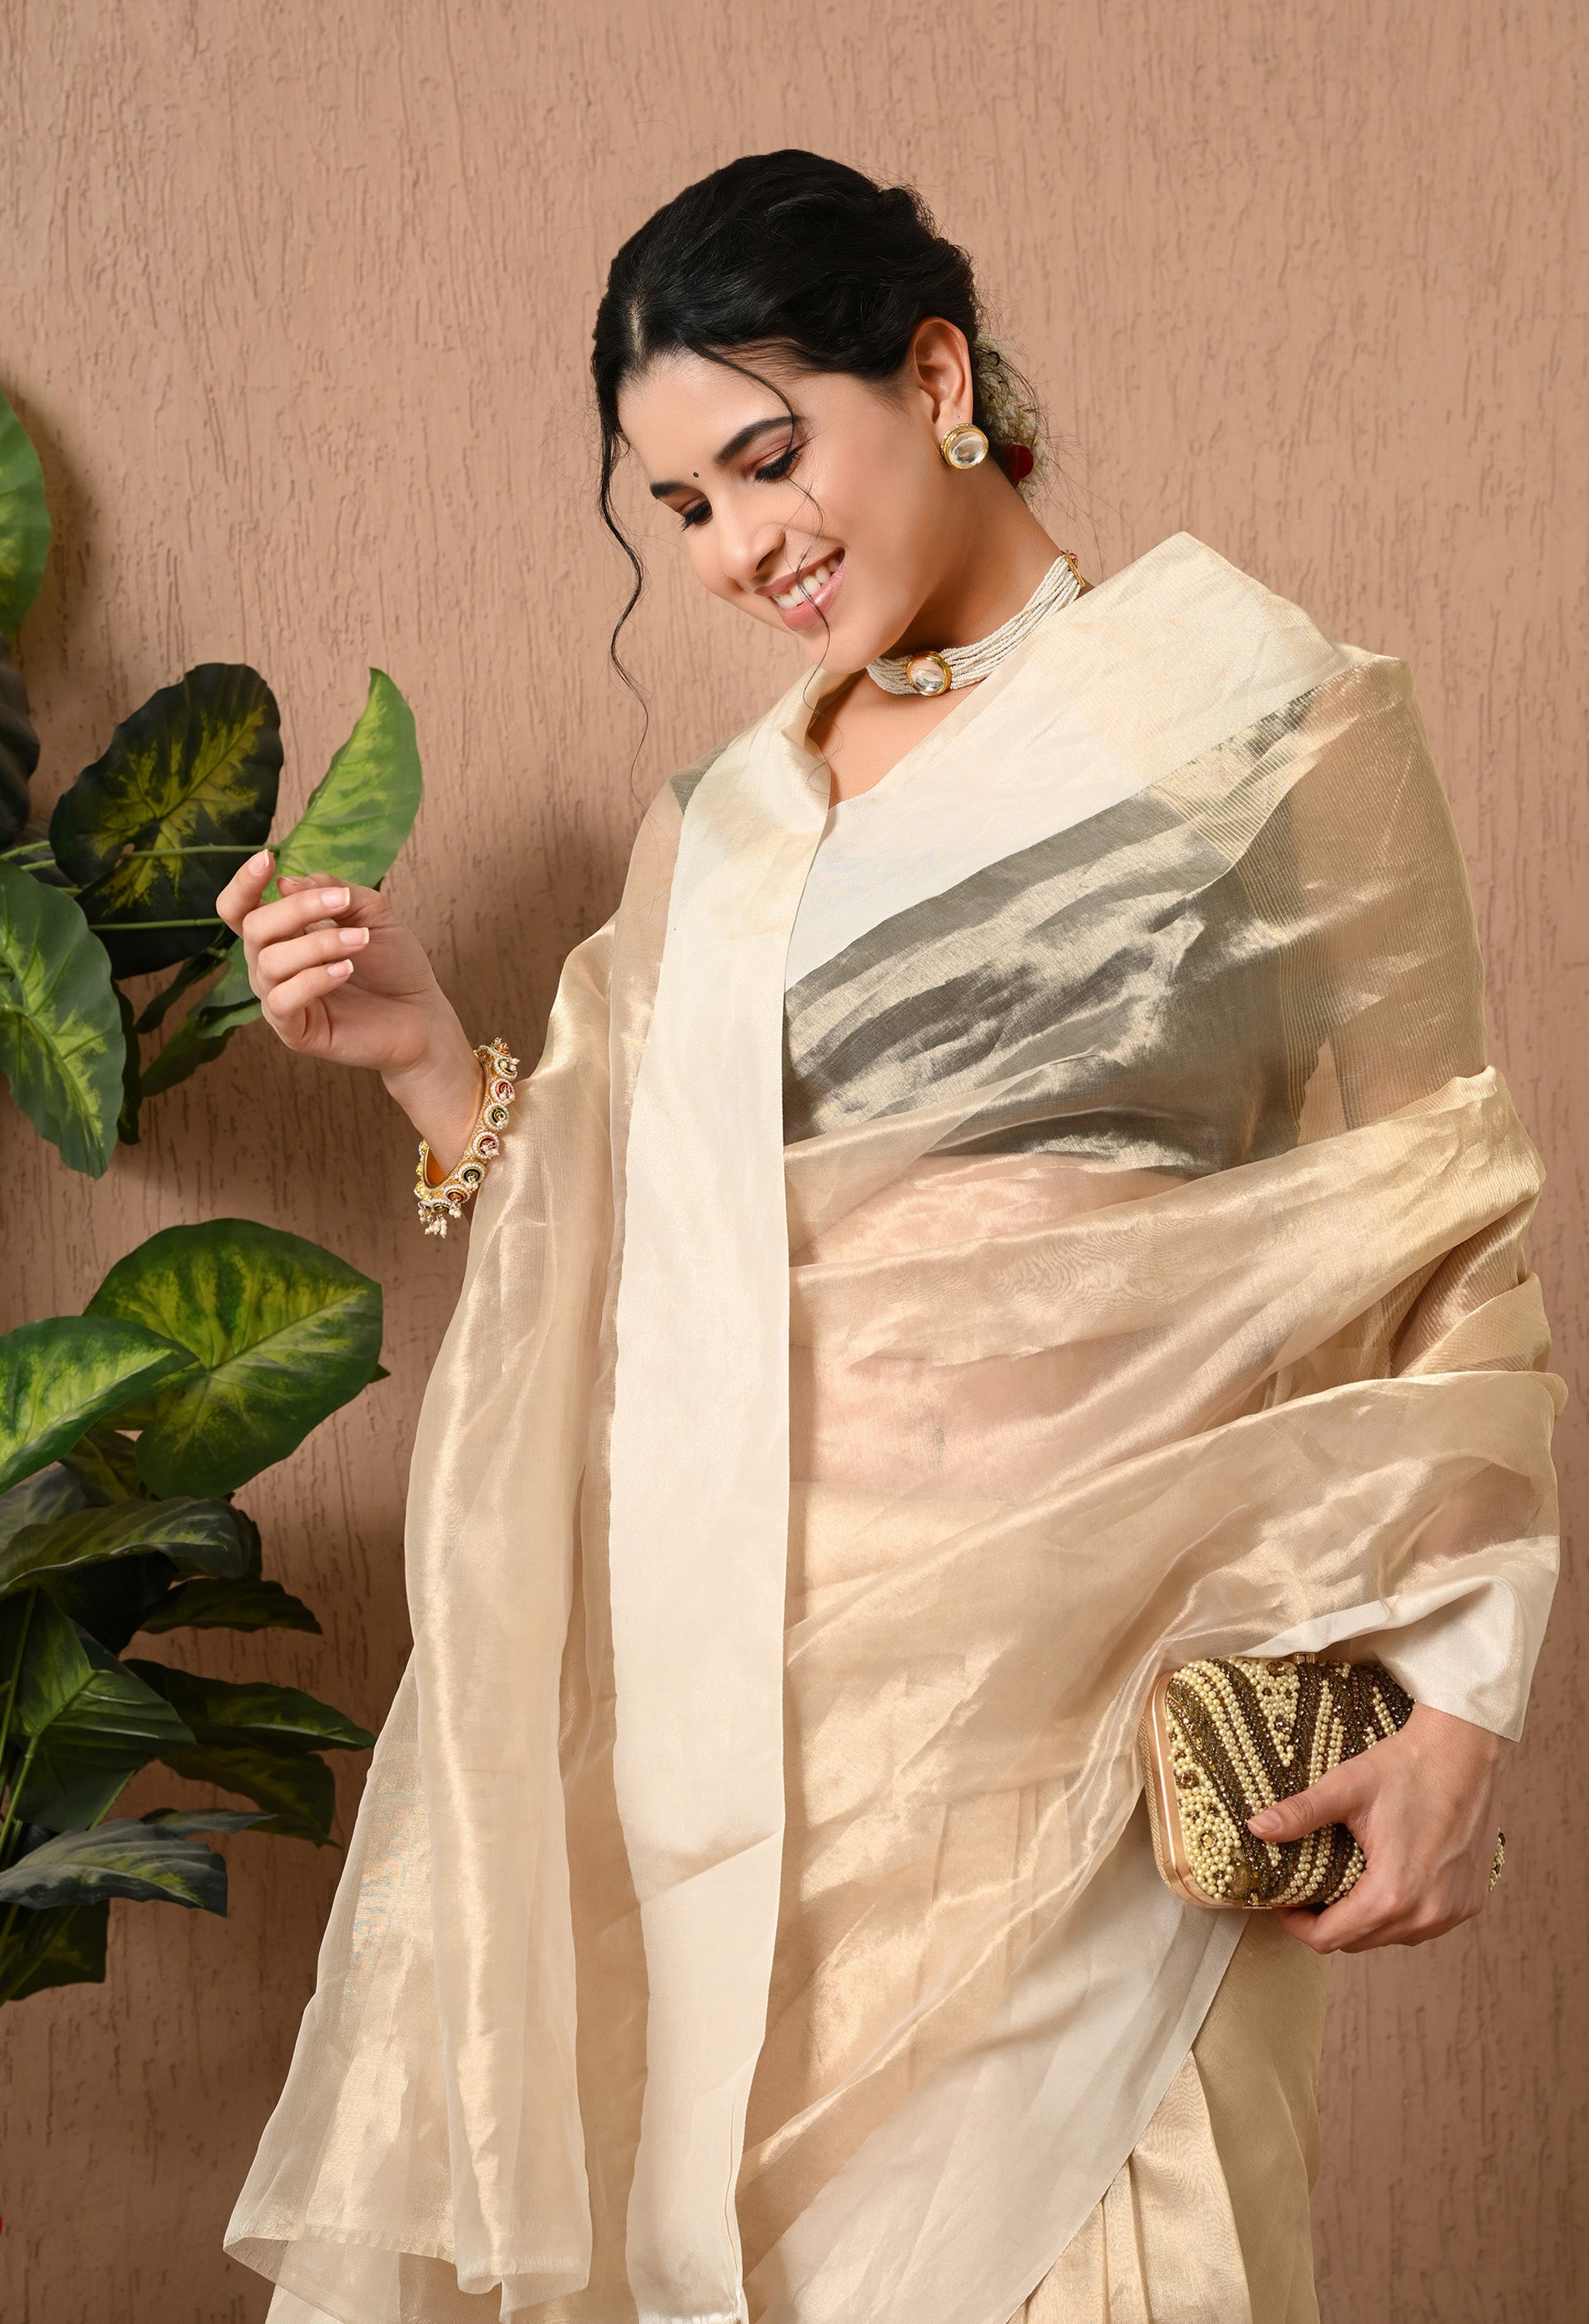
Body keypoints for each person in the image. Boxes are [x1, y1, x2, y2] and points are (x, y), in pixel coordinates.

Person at [220, 153, 1560, 2324]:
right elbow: (621, 1251)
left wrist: (1466, 1690)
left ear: (931, 372)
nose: (745, 545)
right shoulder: (720, 838)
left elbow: (1439, 1218)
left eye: (768, 457)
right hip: (742, 1736)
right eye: (683, 511)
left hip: (1108, 1716)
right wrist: (421, 1062)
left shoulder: (1262, 719)